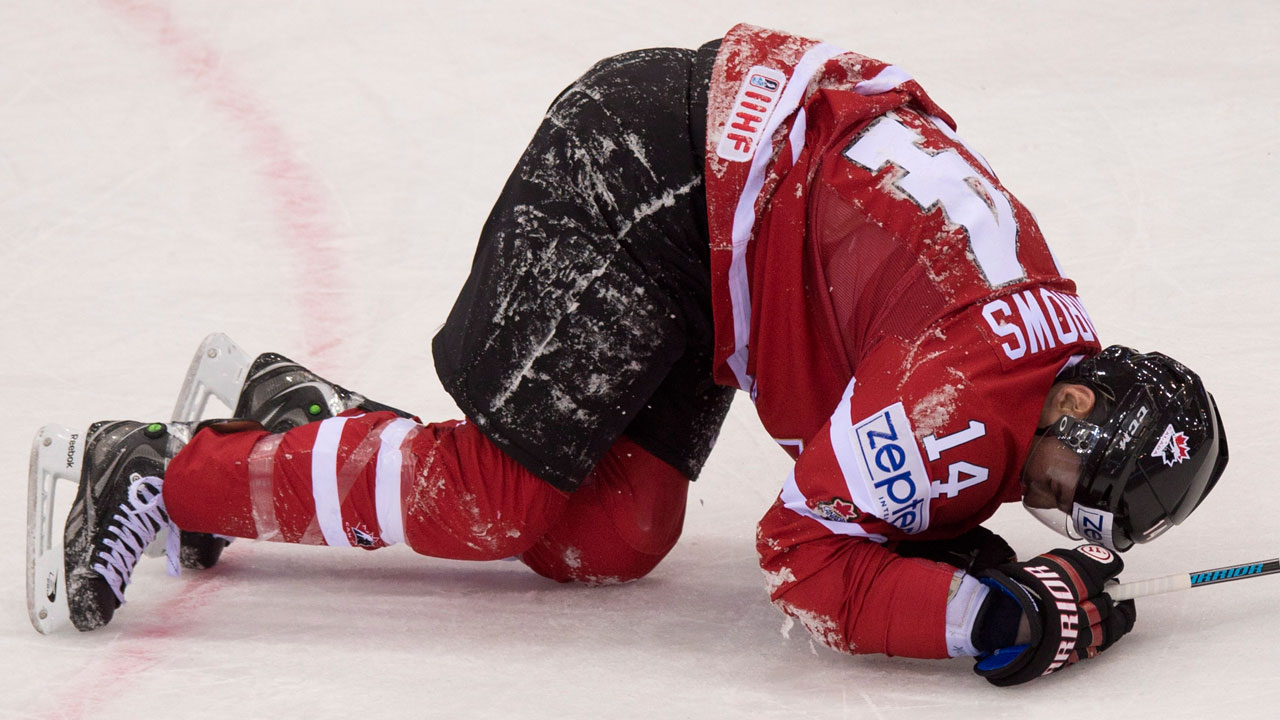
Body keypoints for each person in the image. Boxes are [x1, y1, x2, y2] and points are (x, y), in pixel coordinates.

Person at [37, 24, 1228, 686]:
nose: (1042, 506)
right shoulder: (959, 402)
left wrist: (979, 565)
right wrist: (985, 620)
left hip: (723, 233)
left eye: (1075, 517)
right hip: (647, 175)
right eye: (1063, 486)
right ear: (1078, 403)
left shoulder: (1039, 354)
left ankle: (293, 424)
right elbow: (802, 558)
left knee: (611, 537)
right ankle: (147, 465)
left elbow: (896, 456)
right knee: (497, 503)